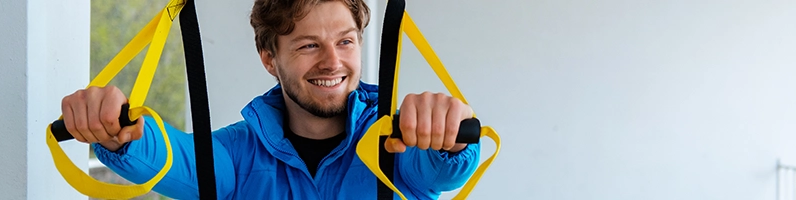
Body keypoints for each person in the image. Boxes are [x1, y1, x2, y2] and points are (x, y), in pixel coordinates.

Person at [58, 0, 480, 199]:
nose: (333, 62)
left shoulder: (395, 144)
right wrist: (117, 130)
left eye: (345, 41)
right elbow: (180, 157)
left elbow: (438, 169)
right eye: (308, 46)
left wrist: (449, 134)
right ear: (268, 58)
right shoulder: (236, 155)